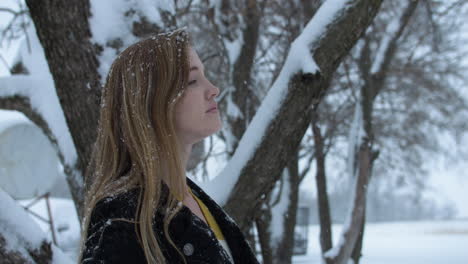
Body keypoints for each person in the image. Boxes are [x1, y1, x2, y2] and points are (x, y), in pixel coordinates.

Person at [78, 28, 259, 264]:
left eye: (204, 75)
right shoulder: (124, 219)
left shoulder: (196, 201)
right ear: (151, 102)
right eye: (193, 80)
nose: (213, 89)